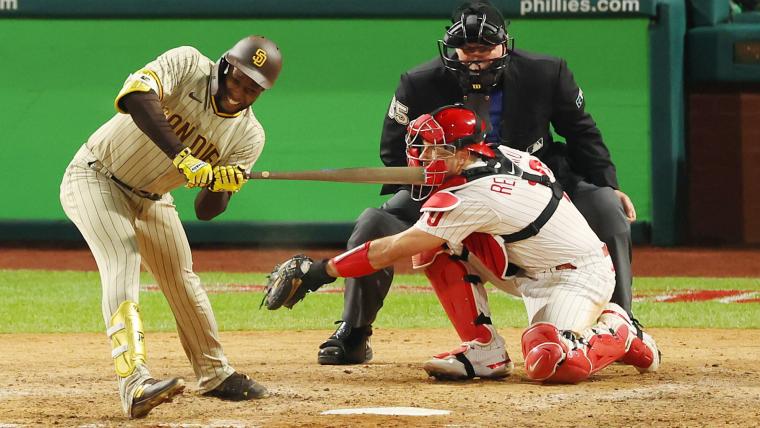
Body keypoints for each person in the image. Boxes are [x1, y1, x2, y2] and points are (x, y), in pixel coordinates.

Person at [315, 0, 638, 366]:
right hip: (446, 187)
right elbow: (394, 147)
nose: (475, 58)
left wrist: (608, 184)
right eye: (467, 49)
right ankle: (354, 332)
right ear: (452, 48)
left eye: (484, 49)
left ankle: (624, 320)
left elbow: (582, 134)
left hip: (539, 188)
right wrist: (443, 191)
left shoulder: (546, 73)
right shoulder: (418, 83)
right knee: (374, 224)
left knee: (607, 208)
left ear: (504, 45)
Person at [266, 105, 660, 383]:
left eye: (437, 149)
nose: (424, 156)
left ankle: (620, 331)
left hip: (576, 277)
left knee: (550, 361)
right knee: (435, 244)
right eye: (422, 147)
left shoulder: (474, 195)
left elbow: (390, 250)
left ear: (466, 151)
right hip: (527, 263)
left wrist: (322, 270)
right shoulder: (503, 154)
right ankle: (485, 350)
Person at [59, 35, 282, 418]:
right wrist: (183, 156)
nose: (239, 91)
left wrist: (221, 185)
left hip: (152, 199)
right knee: (122, 260)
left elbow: (206, 211)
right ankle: (133, 384)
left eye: (251, 88)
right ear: (225, 66)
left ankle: (214, 373)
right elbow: (135, 97)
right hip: (96, 175)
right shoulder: (188, 64)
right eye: (237, 79)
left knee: (182, 278)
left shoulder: (249, 135)